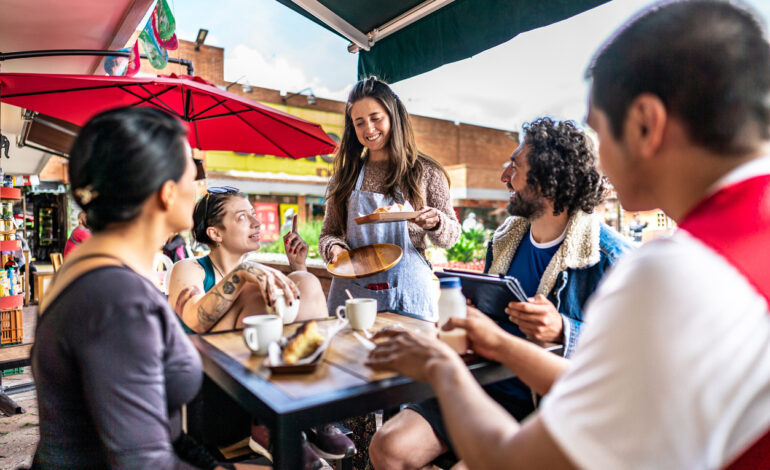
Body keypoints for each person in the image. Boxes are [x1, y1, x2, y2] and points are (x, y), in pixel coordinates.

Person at [366, 1, 770, 468]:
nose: (600, 167)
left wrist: (437, 366)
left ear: (645, 123)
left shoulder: (674, 271)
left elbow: (517, 460)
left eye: (599, 131)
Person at [369, 117, 630, 469]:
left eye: (516, 165)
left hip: (546, 408)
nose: (504, 175)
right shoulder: (505, 240)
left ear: (549, 178)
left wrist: (563, 330)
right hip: (483, 386)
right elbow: (492, 317)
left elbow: (626, 364)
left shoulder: (609, 259)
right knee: (388, 446)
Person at [31, 107, 265, 469]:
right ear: (167, 193)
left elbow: (164, 435)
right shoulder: (116, 299)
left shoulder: (100, 270)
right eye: (192, 170)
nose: (198, 185)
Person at [167, 188, 355, 469]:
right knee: (255, 291)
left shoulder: (256, 272)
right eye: (244, 217)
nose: (257, 223)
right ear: (215, 233)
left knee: (306, 280)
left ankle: (313, 413)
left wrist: (298, 266)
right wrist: (245, 275)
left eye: (255, 215)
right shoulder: (189, 268)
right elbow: (196, 320)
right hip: (213, 397)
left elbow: (290, 327)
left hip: (257, 385)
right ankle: (267, 425)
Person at [320, 77, 461, 320]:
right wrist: (333, 248)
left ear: (393, 116)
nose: (369, 129)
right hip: (352, 294)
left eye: (376, 118)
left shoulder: (425, 171)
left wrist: (436, 222)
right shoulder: (345, 177)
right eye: (359, 122)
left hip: (409, 292)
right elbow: (328, 233)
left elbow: (451, 237)